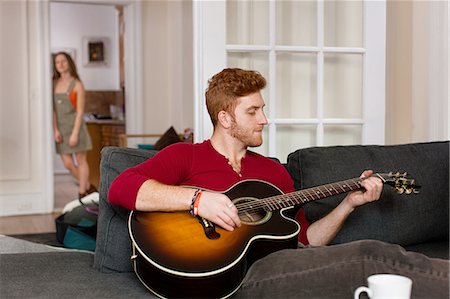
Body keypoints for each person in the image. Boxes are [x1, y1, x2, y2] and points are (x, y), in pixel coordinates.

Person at [108, 68, 448, 298]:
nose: (265, 120)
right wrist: (198, 200)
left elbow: (306, 242)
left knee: (371, 253)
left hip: (280, 266)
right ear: (225, 118)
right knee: (368, 257)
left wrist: (349, 204)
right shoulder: (186, 155)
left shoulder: (272, 173)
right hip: (233, 274)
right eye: (253, 111)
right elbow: (121, 187)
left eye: (263, 109)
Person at [53, 52, 95, 199]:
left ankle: (82, 193)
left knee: (81, 160)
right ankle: (88, 185)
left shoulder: (77, 85)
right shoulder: (54, 84)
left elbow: (80, 111)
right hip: (61, 130)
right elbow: (53, 110)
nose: (60, 64)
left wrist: (75, 133)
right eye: (57, 62)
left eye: (63, 61)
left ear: (69, 62)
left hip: (76, 128)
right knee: (68, 163)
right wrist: (55, 130)